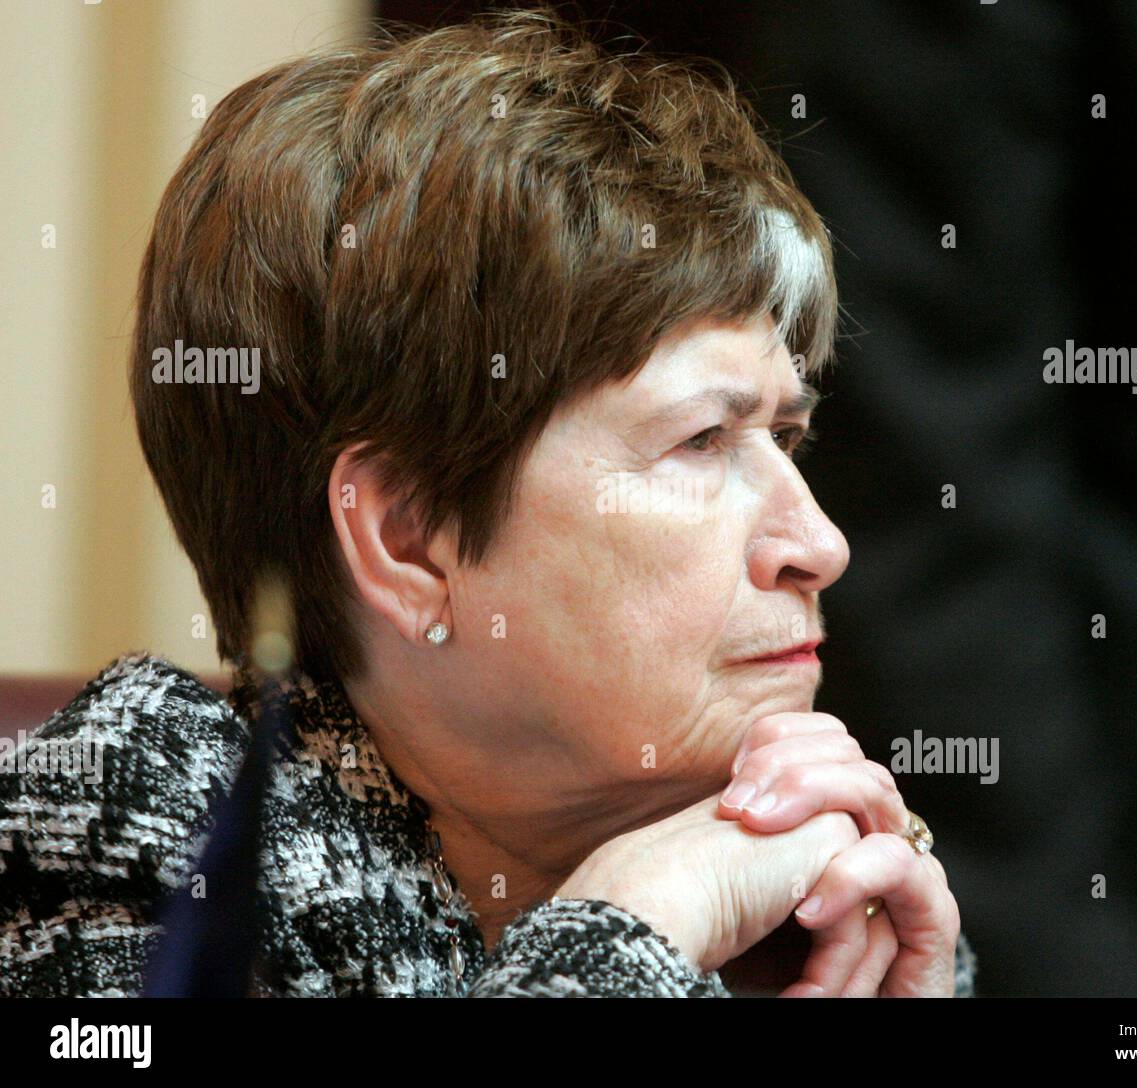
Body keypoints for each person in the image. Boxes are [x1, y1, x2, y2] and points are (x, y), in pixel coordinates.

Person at [0, 6, 975, 997]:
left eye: (785, 435)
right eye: (699, 440)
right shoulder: (144, 821)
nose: (819, 542)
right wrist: (637, 924)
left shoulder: (823, 864)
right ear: (408, 539)